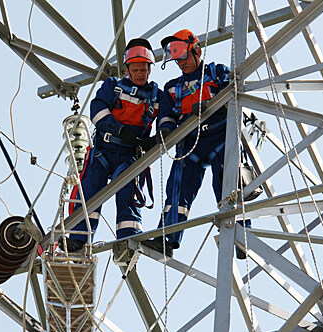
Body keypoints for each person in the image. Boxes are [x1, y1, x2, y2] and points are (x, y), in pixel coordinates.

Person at [142, 29, 250, 258]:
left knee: (228, 185)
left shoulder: (216, 72)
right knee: (177, 189)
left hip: (221, 138)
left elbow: (233, 92)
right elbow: (167, 115)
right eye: (177, 60)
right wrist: (165, 132)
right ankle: (167, 238)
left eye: (183, 57)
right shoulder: (172, 87)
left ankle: (240, 236)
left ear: (197, 51)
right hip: (191, 144)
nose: (180, 64)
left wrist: (211, 105)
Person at [59, 38, 162, 252]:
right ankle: (78, 239)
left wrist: (159, 137)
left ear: (150, 69)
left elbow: (169, 118)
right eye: (136, 70)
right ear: (127, 69)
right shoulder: (113, 86)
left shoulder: (156, 97)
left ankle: (129, 239)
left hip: (129, 156)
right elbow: (97, 110)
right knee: (89, 192)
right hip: (103, 152)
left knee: (127, 193)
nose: (140, 74)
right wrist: (120, 130)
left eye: (144, 69)